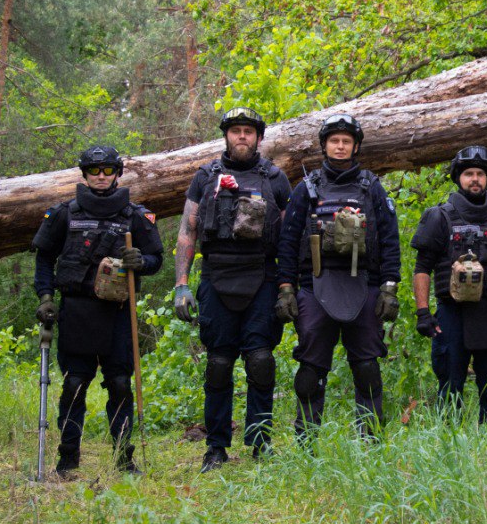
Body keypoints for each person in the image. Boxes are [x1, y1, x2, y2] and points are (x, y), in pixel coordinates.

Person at [32, 145, 163, 477]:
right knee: (74, 384)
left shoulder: (136, 216)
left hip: (118, 314)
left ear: (118, 173)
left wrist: (141, 261)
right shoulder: (64, 214)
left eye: (108, 170)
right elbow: (44, 258)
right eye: (94, 170)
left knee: (119, 384)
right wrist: (45, 297)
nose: (101, 176)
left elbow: (156, 259)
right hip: (76, 312)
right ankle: (67, 460)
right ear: (84, 174)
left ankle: (124, 460)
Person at [172, 107, 292, 472]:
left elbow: (289, 238)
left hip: (262, 278)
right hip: (216, 276)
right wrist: (181, 284)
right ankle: (216, 447)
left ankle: (260, 442)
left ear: (259, 137)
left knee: (261, 361)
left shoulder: (275, 179)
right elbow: (187, 230)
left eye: (249, 131)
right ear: (226, 135)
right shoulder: (205, 176)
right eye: (236, 130)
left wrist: (289, 286)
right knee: (219, 364)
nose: (242, 136)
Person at [275, 114, 402, 442]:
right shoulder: (306, 189)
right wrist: (286, 289)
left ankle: (371, 442)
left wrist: (389, 288)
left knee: (367, 368)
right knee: (310, 371)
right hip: (314, 287)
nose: (341, 146)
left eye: (347, 141)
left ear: (356, 146)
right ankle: (306, 445)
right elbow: (287, 241)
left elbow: (390, 239)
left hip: (365, 286)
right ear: (325, 145)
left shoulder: (372, 188)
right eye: (335, 141)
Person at [410, 146, 487, 425]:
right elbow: (422, 267)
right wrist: (423, 313)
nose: (475, 179)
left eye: (480, 174)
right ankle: (449, 441)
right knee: (450, 384)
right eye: (468, 174)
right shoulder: (439, 216)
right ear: (458, 178)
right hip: (452, 314)